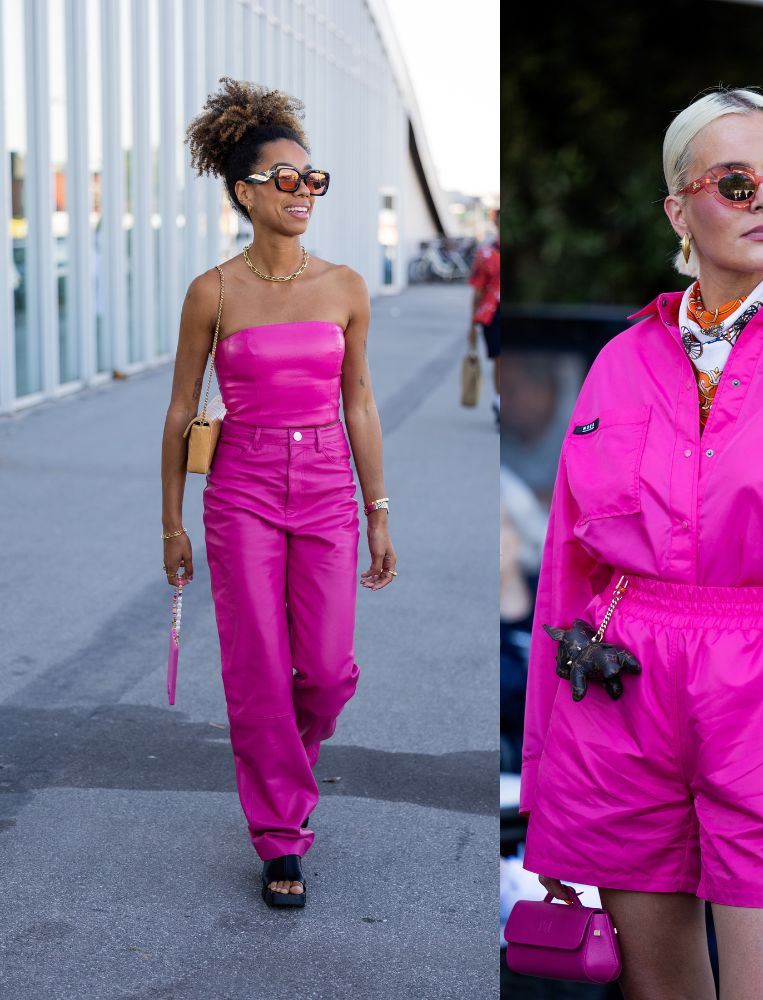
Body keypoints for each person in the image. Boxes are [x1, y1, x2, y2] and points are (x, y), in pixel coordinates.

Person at [519, 88, 763, 999]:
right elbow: (569, 578)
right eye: (735, 182)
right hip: (621, 694)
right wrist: (549, 781)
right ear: (679, 208)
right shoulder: (623, 359)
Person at [162, 79, 397, 907]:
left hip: (330, 482)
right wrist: (171, 525)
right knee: (258, 670)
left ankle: (278, 762)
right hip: (243, 491)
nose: (305, 193)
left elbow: (359, 400)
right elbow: (183, 410)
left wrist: (378, 510)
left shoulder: (345, 286)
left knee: (327, 673)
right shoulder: (213, 292)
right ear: (244, 192)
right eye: (287, 180)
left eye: (313, 180)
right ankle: (280, 836)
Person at [469, 207, 502, 427]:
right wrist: (472, 324)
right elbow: (478, 290)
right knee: (500, 357)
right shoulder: (486, 254)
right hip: (493, 312)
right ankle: (500, 400)